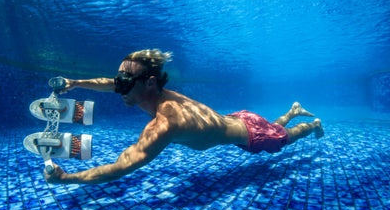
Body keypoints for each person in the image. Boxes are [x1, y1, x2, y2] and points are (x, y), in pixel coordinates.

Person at [45, 49, 324, 184]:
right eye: (121, 82)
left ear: (150, 83)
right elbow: (110, 82)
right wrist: (74, 83)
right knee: (273, 127)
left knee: (284, 139)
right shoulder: (154, 91)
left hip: (250, 134)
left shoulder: (166, 124)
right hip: (237, 118)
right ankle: (292, 110)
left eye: (125, 83)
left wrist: (67, 178)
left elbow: (123, 166)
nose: (120, 89)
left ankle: (311, 124)